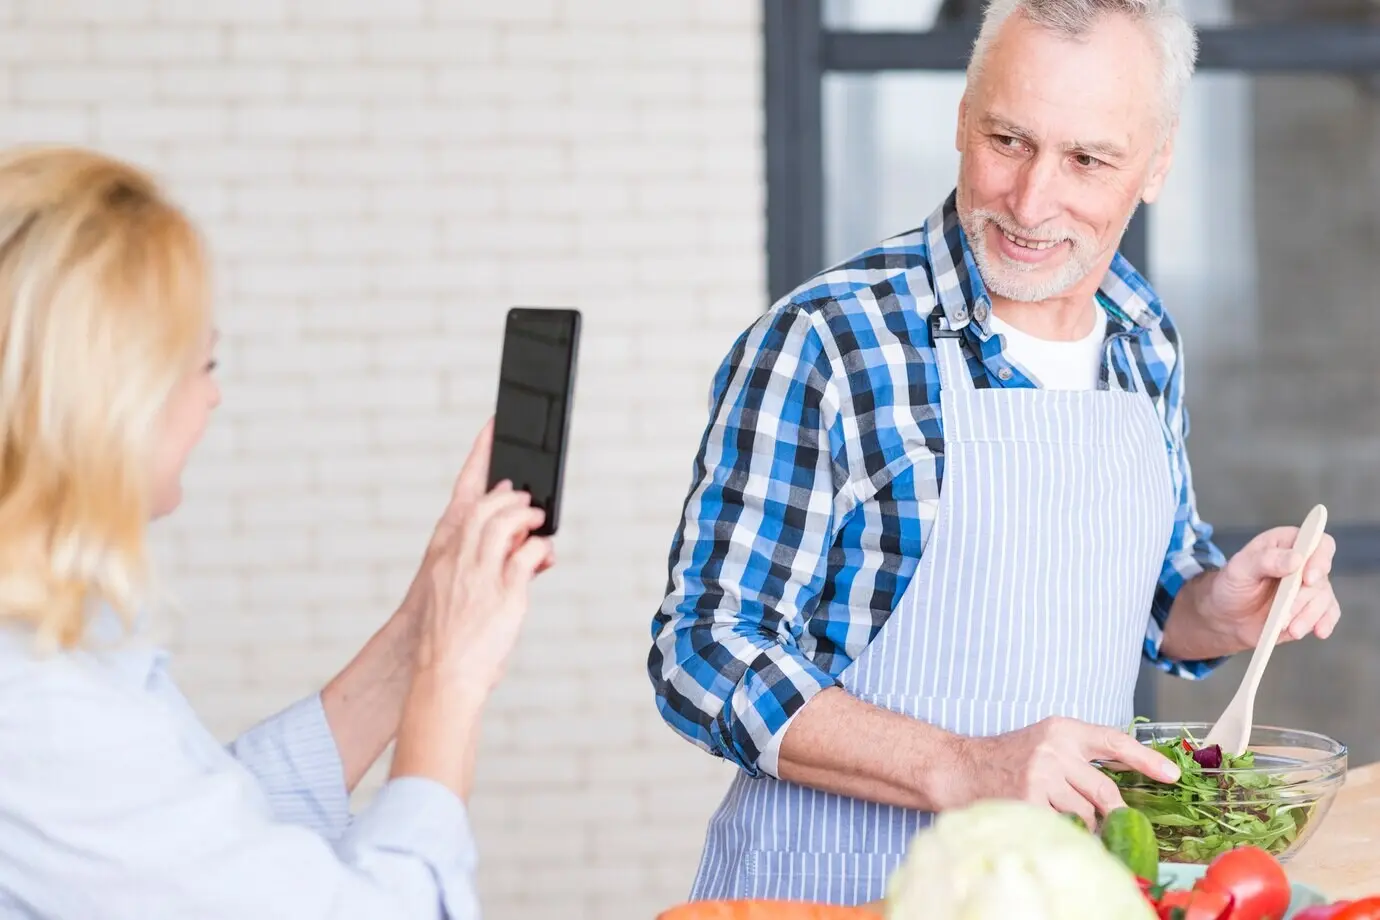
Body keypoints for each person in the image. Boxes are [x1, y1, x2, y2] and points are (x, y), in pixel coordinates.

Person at [648, 0, 1342, 906]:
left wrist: (1221, 606)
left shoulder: (1142, 337)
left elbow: (1142, 597)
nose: (1030, 200)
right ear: (962, 118)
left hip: (1056, 890)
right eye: (1008, 140)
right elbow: (702, 654)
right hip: (833, 890)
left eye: (1087, 159)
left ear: (1159, 162)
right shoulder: (829, 342)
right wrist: (964, 765)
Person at [0, 146, 553, 918]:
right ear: (110, 399)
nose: (215, 397)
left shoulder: (50, 656)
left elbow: (206, 838)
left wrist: (424, 623)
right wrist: (452, 680)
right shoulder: (39, 712)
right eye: (204, 364)